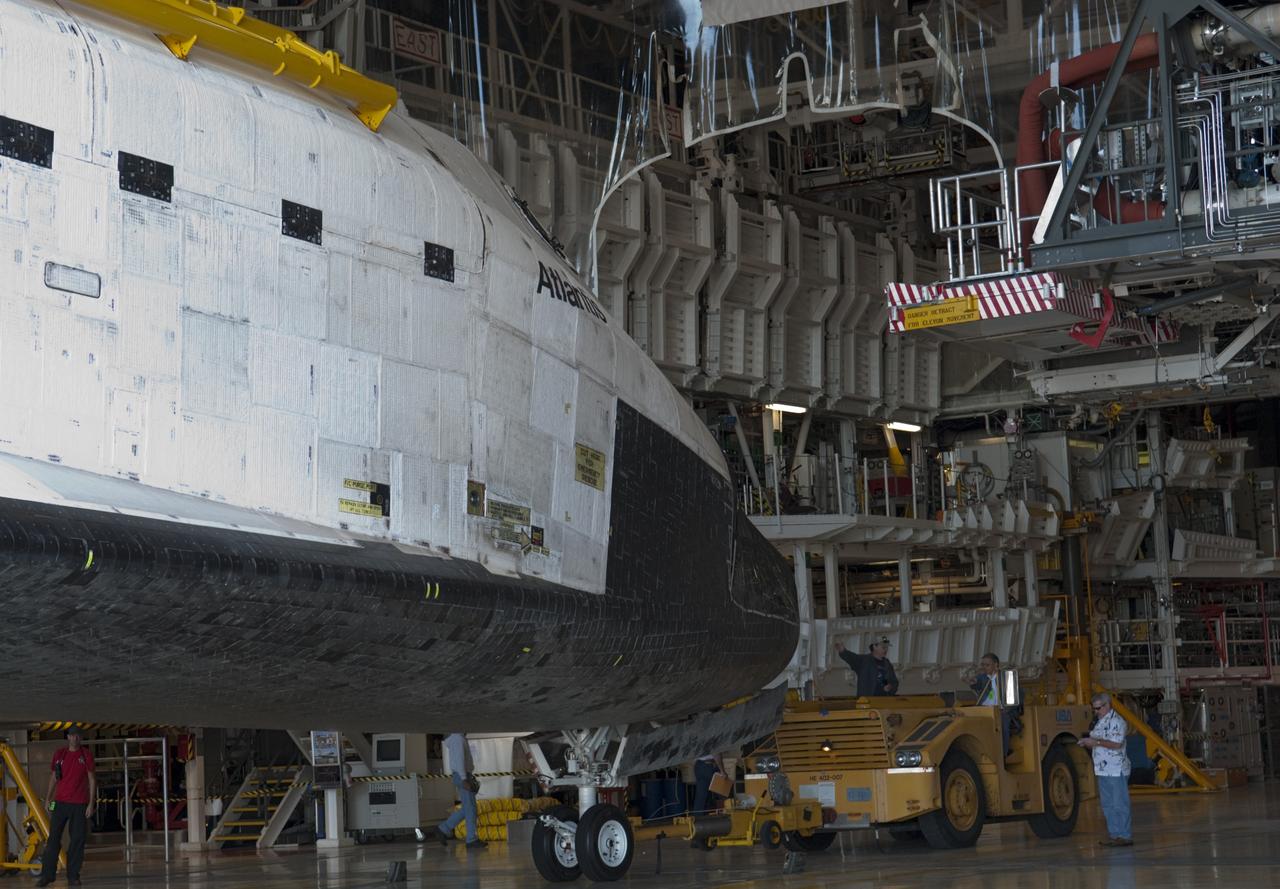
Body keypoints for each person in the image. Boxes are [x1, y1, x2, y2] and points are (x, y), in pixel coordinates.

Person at [37, 725, 96, 888]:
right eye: (72, 736)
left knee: (77, 840)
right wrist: (48, 799)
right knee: (53, 839)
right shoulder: (60, 755)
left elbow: (91, 780)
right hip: (60, 803)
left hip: (79, 805)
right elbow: (54, 778)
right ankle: (47, 876)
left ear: (81, 738)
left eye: (78, 736)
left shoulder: (86, 755)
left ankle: (73, 876)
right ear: (68, 737)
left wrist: (91, 804)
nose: (75, 738)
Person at [1078, 692, 1133, 847]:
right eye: (1094, 709)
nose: (1096, 712)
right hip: (1103, 769)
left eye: (1098, 708)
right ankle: (1115, 834)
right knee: (1108, 804)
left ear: (1107, 705)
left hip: (1116, 770)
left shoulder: (1117, 722)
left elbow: (1116, 744)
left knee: (1119, 803)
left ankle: (1124, 835)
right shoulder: (1100, 721)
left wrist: (1094, 743)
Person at [433, 733, 486, 850]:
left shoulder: (457, 739)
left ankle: (443, 829)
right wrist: (464, 779)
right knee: (471, 808)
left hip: (463, 775)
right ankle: (471, 839)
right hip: (463, 776)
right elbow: (459, 760)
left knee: (468, 808)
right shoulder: (458, 739)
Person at [970, 653, 1012, 755]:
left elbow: (1015, 695)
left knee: (1004, 729)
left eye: (987, 665)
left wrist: (1008, 709)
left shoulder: (1005, 677)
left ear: (996, 665)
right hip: (985, 710)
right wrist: (970, 681)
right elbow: (975, 684)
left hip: (1001, 711)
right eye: (983, 665)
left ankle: (1003, 755)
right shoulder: (982, 677)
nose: (984, 667)